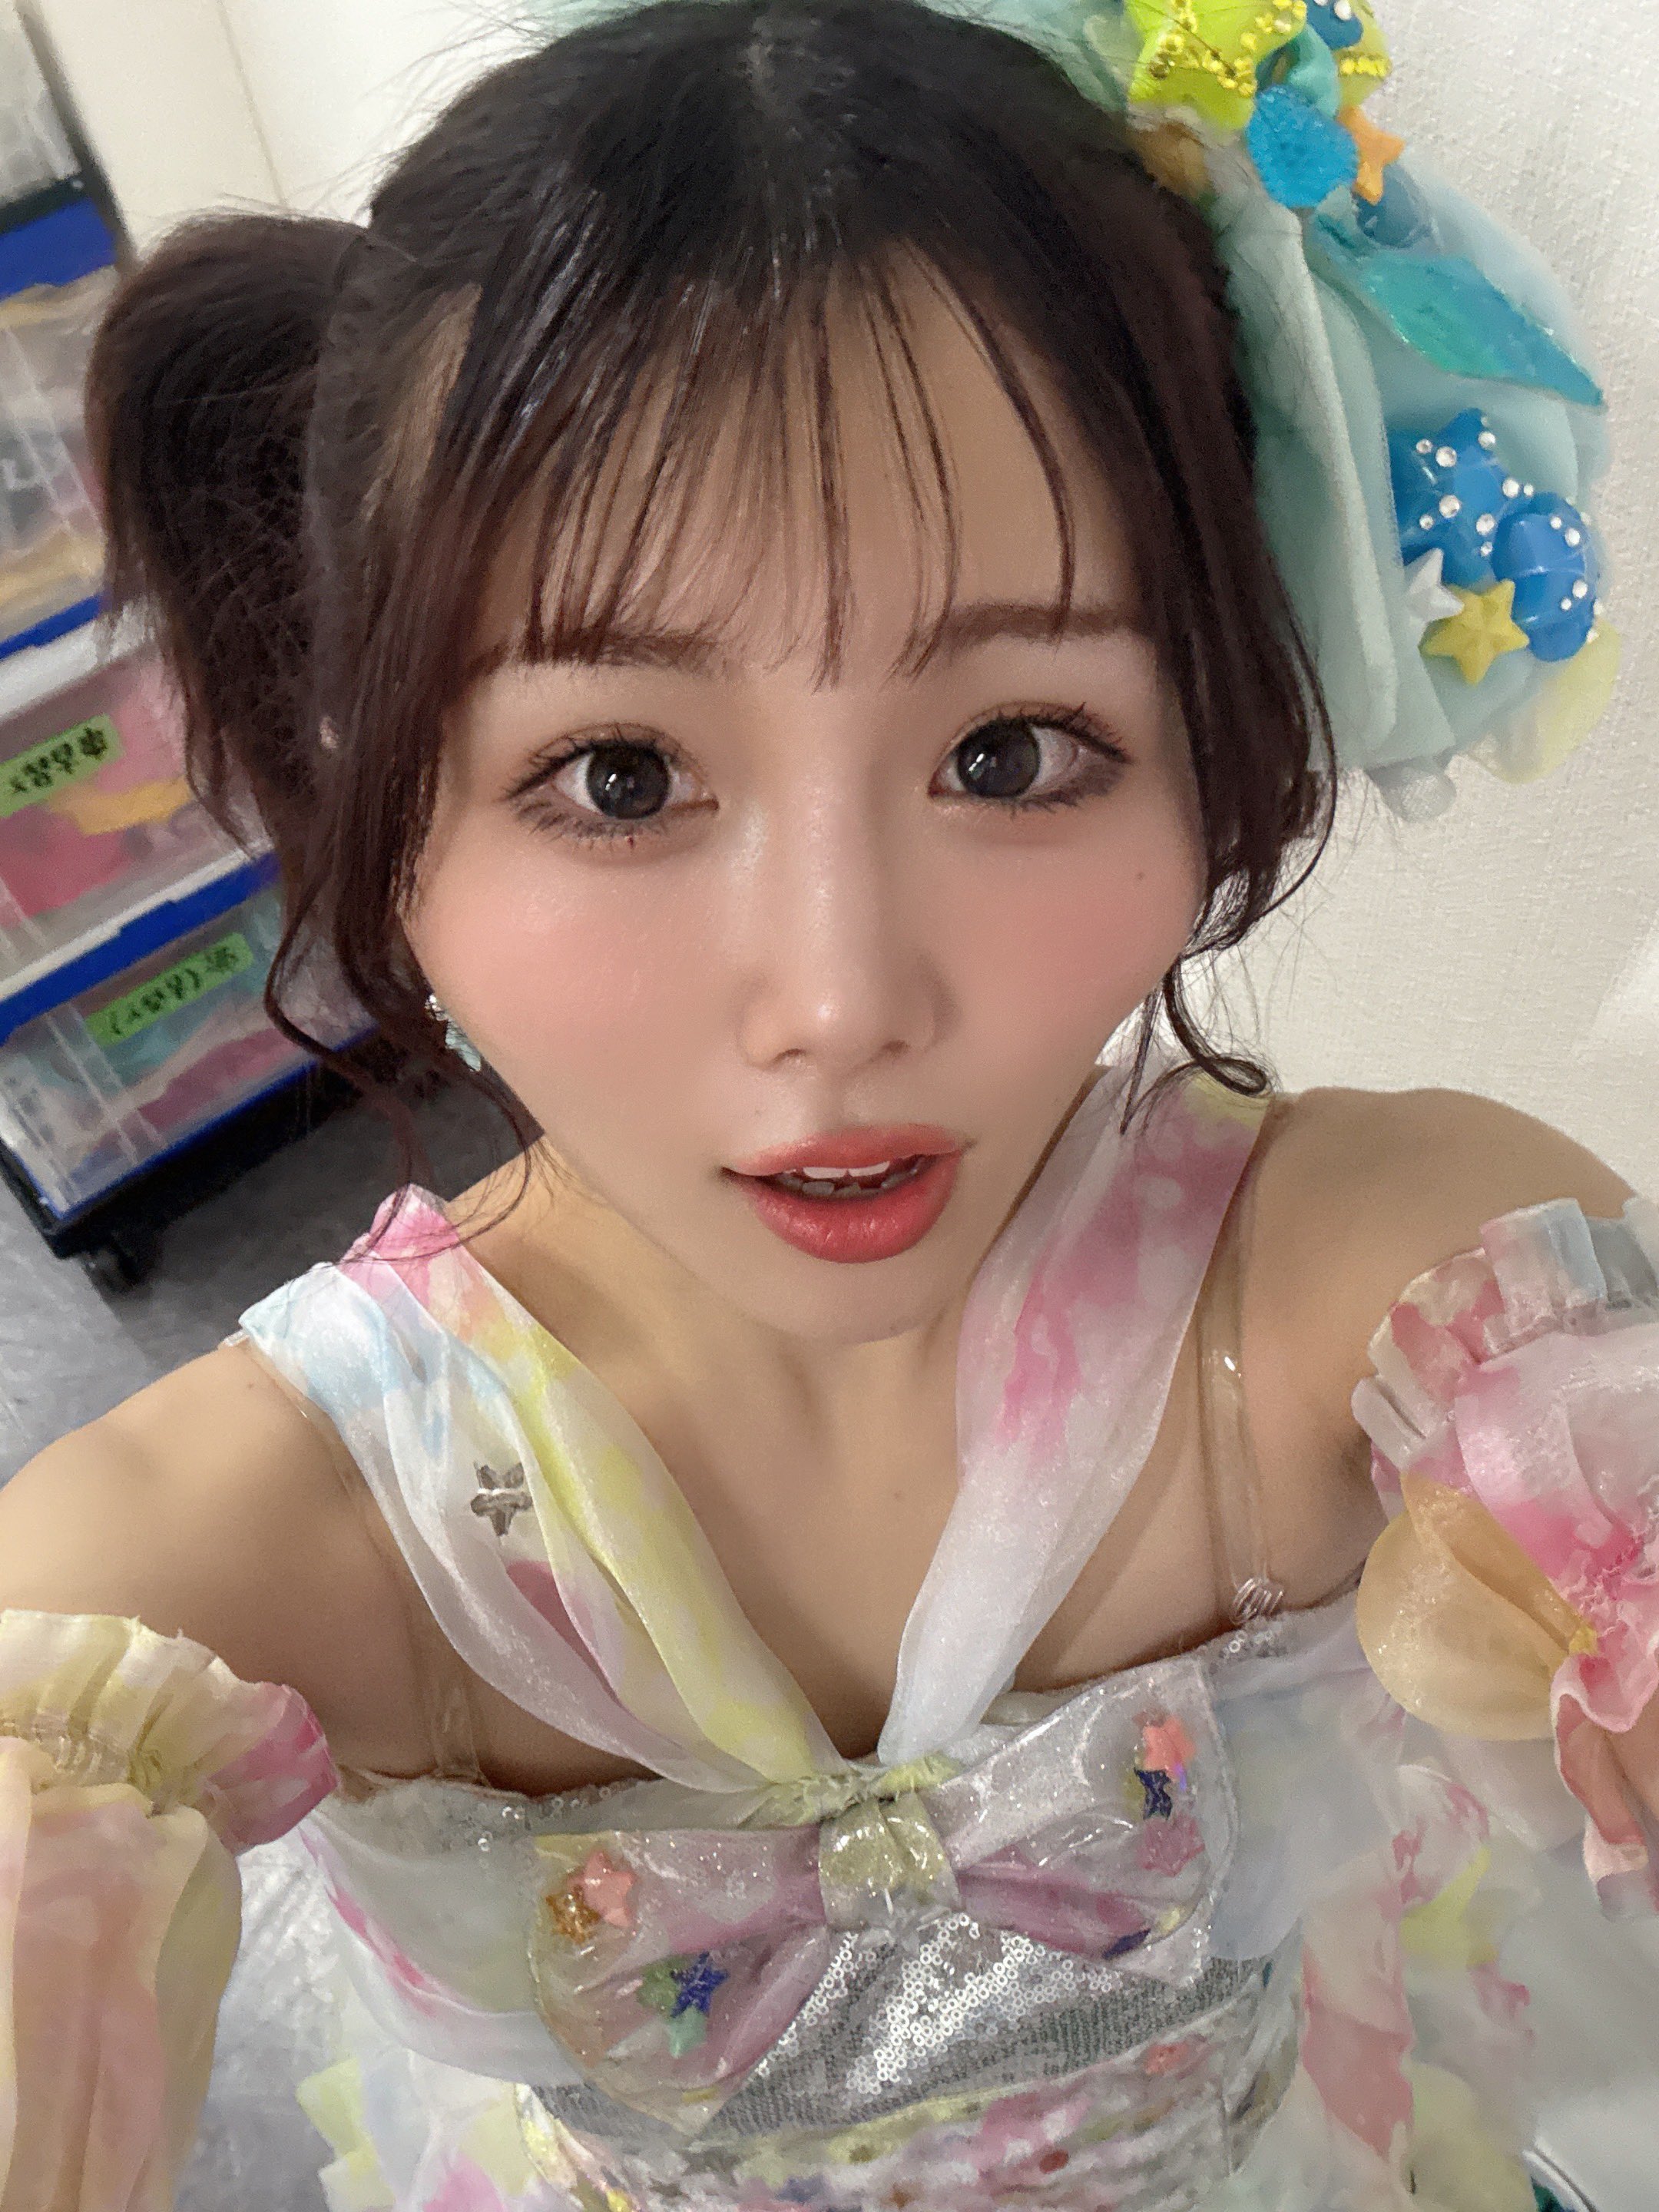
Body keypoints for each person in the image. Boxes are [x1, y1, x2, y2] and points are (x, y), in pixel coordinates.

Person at [0, 1, 1650, 2206]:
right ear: (387, 817)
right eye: (620, 777)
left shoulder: (1379, 1290)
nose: (842, 1000)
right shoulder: (235, 1546)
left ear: (1220, 753)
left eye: (1010, 753)